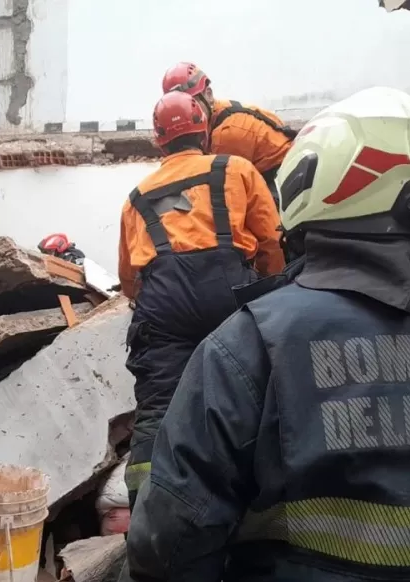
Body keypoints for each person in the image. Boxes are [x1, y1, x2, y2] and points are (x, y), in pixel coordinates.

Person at [118, 87, 410, 582]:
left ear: (312, 181)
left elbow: (171, 548)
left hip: (165, 306)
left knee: (155, 412)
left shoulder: (251, 346)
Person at [119, 90, 285, 509]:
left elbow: (128, 279)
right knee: (248, 394)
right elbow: (271, 241)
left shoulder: (137, 196)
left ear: (159, 140)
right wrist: (271, 291)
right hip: (229, 293)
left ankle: (145, 513)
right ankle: (251, 503)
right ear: (205, 130)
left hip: (163, 300)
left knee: (158, 406)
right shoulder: (237, 169)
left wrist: (157, 309)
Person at [162, 62, 296, 201]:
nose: (189, 113)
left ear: (208, 94)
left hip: (280, 176)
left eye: (192, 103)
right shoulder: (219, 113)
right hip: (273, 170)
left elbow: (225, 189)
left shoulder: (225, 134)